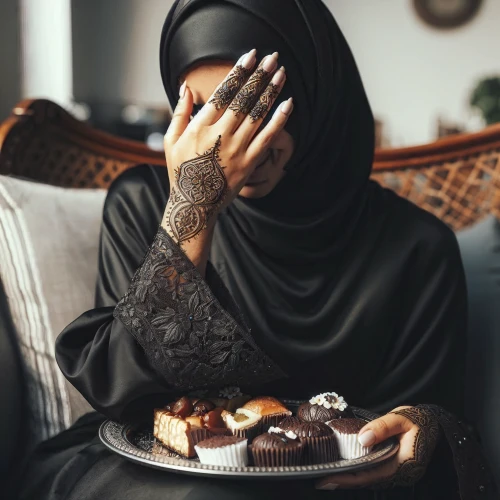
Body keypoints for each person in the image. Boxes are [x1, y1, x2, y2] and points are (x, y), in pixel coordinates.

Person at [17, 0, 498, 499]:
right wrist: (192, 208)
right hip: (155, 477)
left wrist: (420, 434)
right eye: (207, 112)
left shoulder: (418, 249)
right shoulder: (143, 204)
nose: (234, 139)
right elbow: (122, 395)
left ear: (314, 94)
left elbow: (436, 422)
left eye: (258, 104)